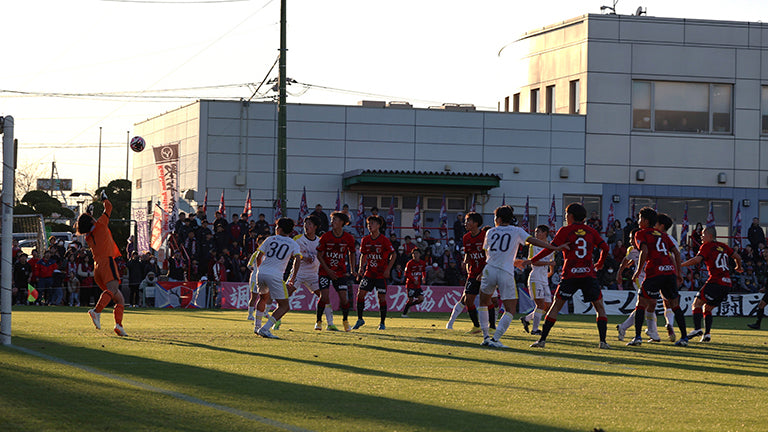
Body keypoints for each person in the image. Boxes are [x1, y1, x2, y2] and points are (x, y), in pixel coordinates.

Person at [526, 202, 612, 349]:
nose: (566, 217)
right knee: (599, 307)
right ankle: (603, 342)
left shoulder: (565, 231)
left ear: (571, 216)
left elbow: (550, 248)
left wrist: (532, 260)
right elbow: (605, 247)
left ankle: (542, 341)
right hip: (588, 274)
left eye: (566, 214)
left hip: (570, 274)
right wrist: (600, 262)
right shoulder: (591, 231)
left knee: (555, 307)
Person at [478, 206, 562, 348]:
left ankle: (485, 337)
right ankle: (495, 339)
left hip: (489, 269)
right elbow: (533, 241)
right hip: (505, 271)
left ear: (498, 219)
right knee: (510, 308)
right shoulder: (516, 231)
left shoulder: (490, 231)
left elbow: (488, 253)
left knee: (483, 304)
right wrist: (553, 247)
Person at [625, 208, 687, 347]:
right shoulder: (663, 235)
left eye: (640, 218)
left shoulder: (640, 233)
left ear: (645, 221)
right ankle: (684, 338)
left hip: (655, 272)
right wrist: (679, 273)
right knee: (674, 305)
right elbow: (676, 253)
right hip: (669, 272)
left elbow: (645, 251)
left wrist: (638, 271)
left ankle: (638, 337)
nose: (638, 221)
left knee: (641, 304)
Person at [77, 192, 128, 336]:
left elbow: (87, 223)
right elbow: (109, 208)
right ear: (92, 220)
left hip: (97, 266)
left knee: (119, 299)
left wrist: (88, 213)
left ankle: (119, 325)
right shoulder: (100, 225)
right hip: (107, 262)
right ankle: (96, 311)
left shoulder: (88, 236)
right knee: (113, 289)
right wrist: (104, 198)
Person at [681, 226, 743, 342]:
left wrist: (681, 265)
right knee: (707, 307)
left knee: (696, 304)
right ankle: (707, 334)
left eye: (703, 234)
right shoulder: (723, 246)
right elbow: (737, 256)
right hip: (727, 284)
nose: (701, 237)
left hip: (715, 281)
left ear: (710, 236)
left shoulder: (707, 246)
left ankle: (697, 329)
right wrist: (738, 267)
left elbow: (697, 260)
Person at [252, 217, 302, 339]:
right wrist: (293, 277)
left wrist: (260, 270)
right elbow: (298, 259)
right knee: (284, 306)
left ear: (279, 229)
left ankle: (257, 327)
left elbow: (258, 257)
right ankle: (265, 329)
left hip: (261, 272)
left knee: (262, 298)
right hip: (275, 275)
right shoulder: (293, 243)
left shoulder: (269, 239)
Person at [294, 215, 337, 331]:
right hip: (298, 273)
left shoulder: (320, 241)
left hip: (314, 274)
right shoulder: (298, 240)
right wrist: (303, 258)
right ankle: (276, 322)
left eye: (309, 224)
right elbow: (293, 255)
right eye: (305, 224)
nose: (306, 227)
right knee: (285, 294)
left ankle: (330, 323)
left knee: (324, 297)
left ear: (315, 227)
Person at [317, 211, 357, 331]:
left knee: (344, 299)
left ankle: (345, 321)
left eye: (335, 220)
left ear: (342, 223)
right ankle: (318, 321)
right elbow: (319, 255)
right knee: (324, 297)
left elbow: (352, 253)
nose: (332, 222)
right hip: (325, 272)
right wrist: (328, 270)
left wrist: (353, 269)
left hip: (340, 272)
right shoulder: (326, 236)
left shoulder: (348, 238)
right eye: (332, 219)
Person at [353, 215, 395, 330]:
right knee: (360, 294)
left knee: (381, 297)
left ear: (378, 226)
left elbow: (394, 254)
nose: (369, 226)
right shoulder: (365, 240)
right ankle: (360, 319)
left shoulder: (384, 240)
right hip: (369, 273)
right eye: (368, 224)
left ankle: (382, 323)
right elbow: (363, 254)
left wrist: (388, 269)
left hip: (381, 274)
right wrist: (361, 268)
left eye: (372, 223)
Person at [447, 212, 485, 332]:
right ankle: (476, 326)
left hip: (487, 273)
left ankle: (492, 326)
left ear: (476, 223)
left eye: (468, 221)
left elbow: (491, 256)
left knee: (490, 300)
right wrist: (465, 261)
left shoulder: (485, 236)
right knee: (468, 300)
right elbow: (468, 253)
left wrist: (484, 271)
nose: (466, 223)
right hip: (473, 273)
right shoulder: (466, 237)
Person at [520, 225, 555, 335]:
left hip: (544, 279)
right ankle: (535, 330)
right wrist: (549, 264)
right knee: (540, 305)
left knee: (548, 305)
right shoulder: (533, 246)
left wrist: (551, 271)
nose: (536, 234)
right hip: (535, 278)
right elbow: (533, 262)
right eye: (535, 232)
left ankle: (526, 319)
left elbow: (552, 260)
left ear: (545, 233)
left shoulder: (549, 246)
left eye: (538, 231)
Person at [401, 248, 427, 317]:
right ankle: (404, 314)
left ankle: (409, 306)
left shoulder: (422, 263)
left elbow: (424, 271)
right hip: (410, 285)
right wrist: (413, 280)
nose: (415, 255)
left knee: (421, 299)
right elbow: (406, 274)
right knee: (410, 299)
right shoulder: (409, 263)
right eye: (414, 254)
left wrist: (423, 277)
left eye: (417, 253)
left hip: (417, 285)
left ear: (420, 254)